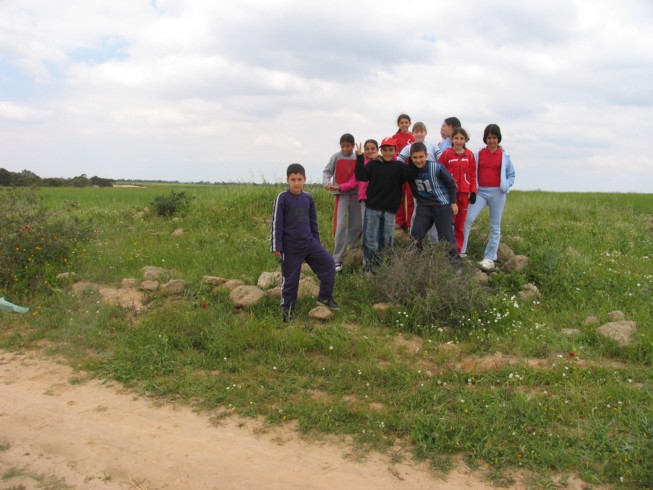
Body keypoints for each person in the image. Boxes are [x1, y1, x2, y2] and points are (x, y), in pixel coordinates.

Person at [271, 164, 339, 323]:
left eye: (299, 179)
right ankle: (287, 311)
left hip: (309, 244)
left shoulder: (308, 198)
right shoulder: (283, 198)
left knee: (329, 264)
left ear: (305, 179)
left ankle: (324, 297)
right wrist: (276, 246)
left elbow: (313, 223)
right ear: (287, 180)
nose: (296, 183)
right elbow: (276, 223)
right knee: (290, 280)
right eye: (293, 179)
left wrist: (318, 244)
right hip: (290, 248)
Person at [355, 137, 417, 273]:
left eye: (391, 150)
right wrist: (360, 157)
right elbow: (361, 176)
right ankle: (369, 269)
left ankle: (383, 270)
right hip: (372, 208)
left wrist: (411, 157)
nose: (388, 153)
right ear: (381, 150)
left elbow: (412, 174)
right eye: (385, 150)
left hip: (390, 210)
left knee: (387, 241)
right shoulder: (374, 164)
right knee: (370, 240)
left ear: (395, 151)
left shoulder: (399, 167)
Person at [461, 124, 516, 271]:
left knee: (495, 225)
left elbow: (511, 175)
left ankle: (489, 258)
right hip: (480, 192)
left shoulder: (504, 157)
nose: (491, 140)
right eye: (489, 138)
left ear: (498, 139)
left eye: (494, 138)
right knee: (467, 218)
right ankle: (461, 251)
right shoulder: (478, 155)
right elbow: (472, 172)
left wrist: (506, 186)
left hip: (498, 193)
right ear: (485, 138)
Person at [407, 142, 458, 254]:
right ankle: (417, 261)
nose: (418, 160)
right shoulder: (410, 171)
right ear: (411, 157)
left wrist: (453, 202)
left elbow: (451, 184)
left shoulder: (436, 167)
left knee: (446, 237)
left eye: (421, 157)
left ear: (426, 155)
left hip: (441, 204)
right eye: (415, 157)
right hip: (424, 205)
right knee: (416, 234)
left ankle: (454, 265)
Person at [323, 133, 361, 273]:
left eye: (348, 146)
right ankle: (336, 258)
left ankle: (352, 251)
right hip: (341, 194)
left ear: (353, 145)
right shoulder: (336, 157)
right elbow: (327, 171)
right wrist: (327, 183)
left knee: (356, 223)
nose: (345, 149)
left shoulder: (358, 157)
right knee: (340, 225)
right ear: (340, 145)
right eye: (343, 146)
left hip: (356, 194)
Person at [438, 127, 477, 254]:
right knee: (449, 224)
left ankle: (458, 251)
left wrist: (473, 191)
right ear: (451, 139)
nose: (459, 141)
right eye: (456, 138)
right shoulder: (446, 154)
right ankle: (447, 250)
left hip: (464, 194)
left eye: (461, 138)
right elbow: (439, 172)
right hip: (449, 195)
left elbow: (472, 175)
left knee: (460, 225)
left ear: (465, 139)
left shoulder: (470, 155)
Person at [333, 139, 378, 226]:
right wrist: (339, 187)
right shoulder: (361, 165)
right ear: (364, 151)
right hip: (365, 199)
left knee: (378, 225)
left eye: (373, 149)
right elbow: (354, 181)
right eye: (367, 149)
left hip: (379, 199)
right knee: (366, 225)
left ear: (377, 150)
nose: (370, 151)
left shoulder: (382, 162)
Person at [394, 114, 415, 231]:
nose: (404, 124)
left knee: (411, 195)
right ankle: (400, 221)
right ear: (398, 124)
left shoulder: (413, 137)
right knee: (399, 195)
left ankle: (410, 221)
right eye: (402, 122)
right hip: (398, 169)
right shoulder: (395, 137)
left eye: (406, 122)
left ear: (409, 123)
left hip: (410, 169)